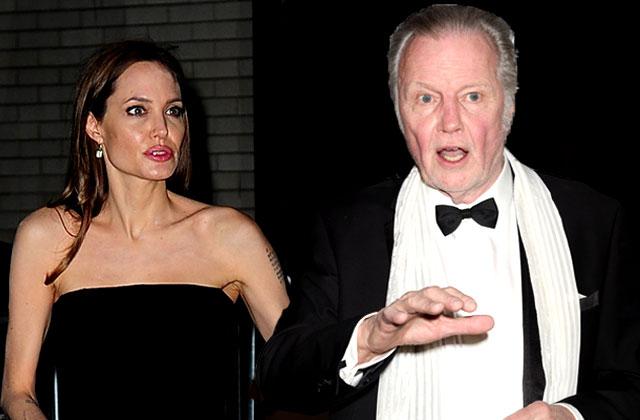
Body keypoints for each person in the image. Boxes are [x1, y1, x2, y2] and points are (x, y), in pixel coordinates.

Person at [258, 5, 640, 420]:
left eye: (472, 96)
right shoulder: (346, 229)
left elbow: (630, 385)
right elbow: (279, 376)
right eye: (426, 98)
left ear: (508, 105)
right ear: (400, 112)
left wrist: (567, 416)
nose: (450, 122)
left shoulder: (592, 221)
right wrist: (368, 338)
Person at [0, 40, 289, 419]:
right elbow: (17, 392)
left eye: (173, 111)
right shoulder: (49, 237)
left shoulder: (229, 235)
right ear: (95, 126)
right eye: (138, 110)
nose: (162, 129)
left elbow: (300, 365)